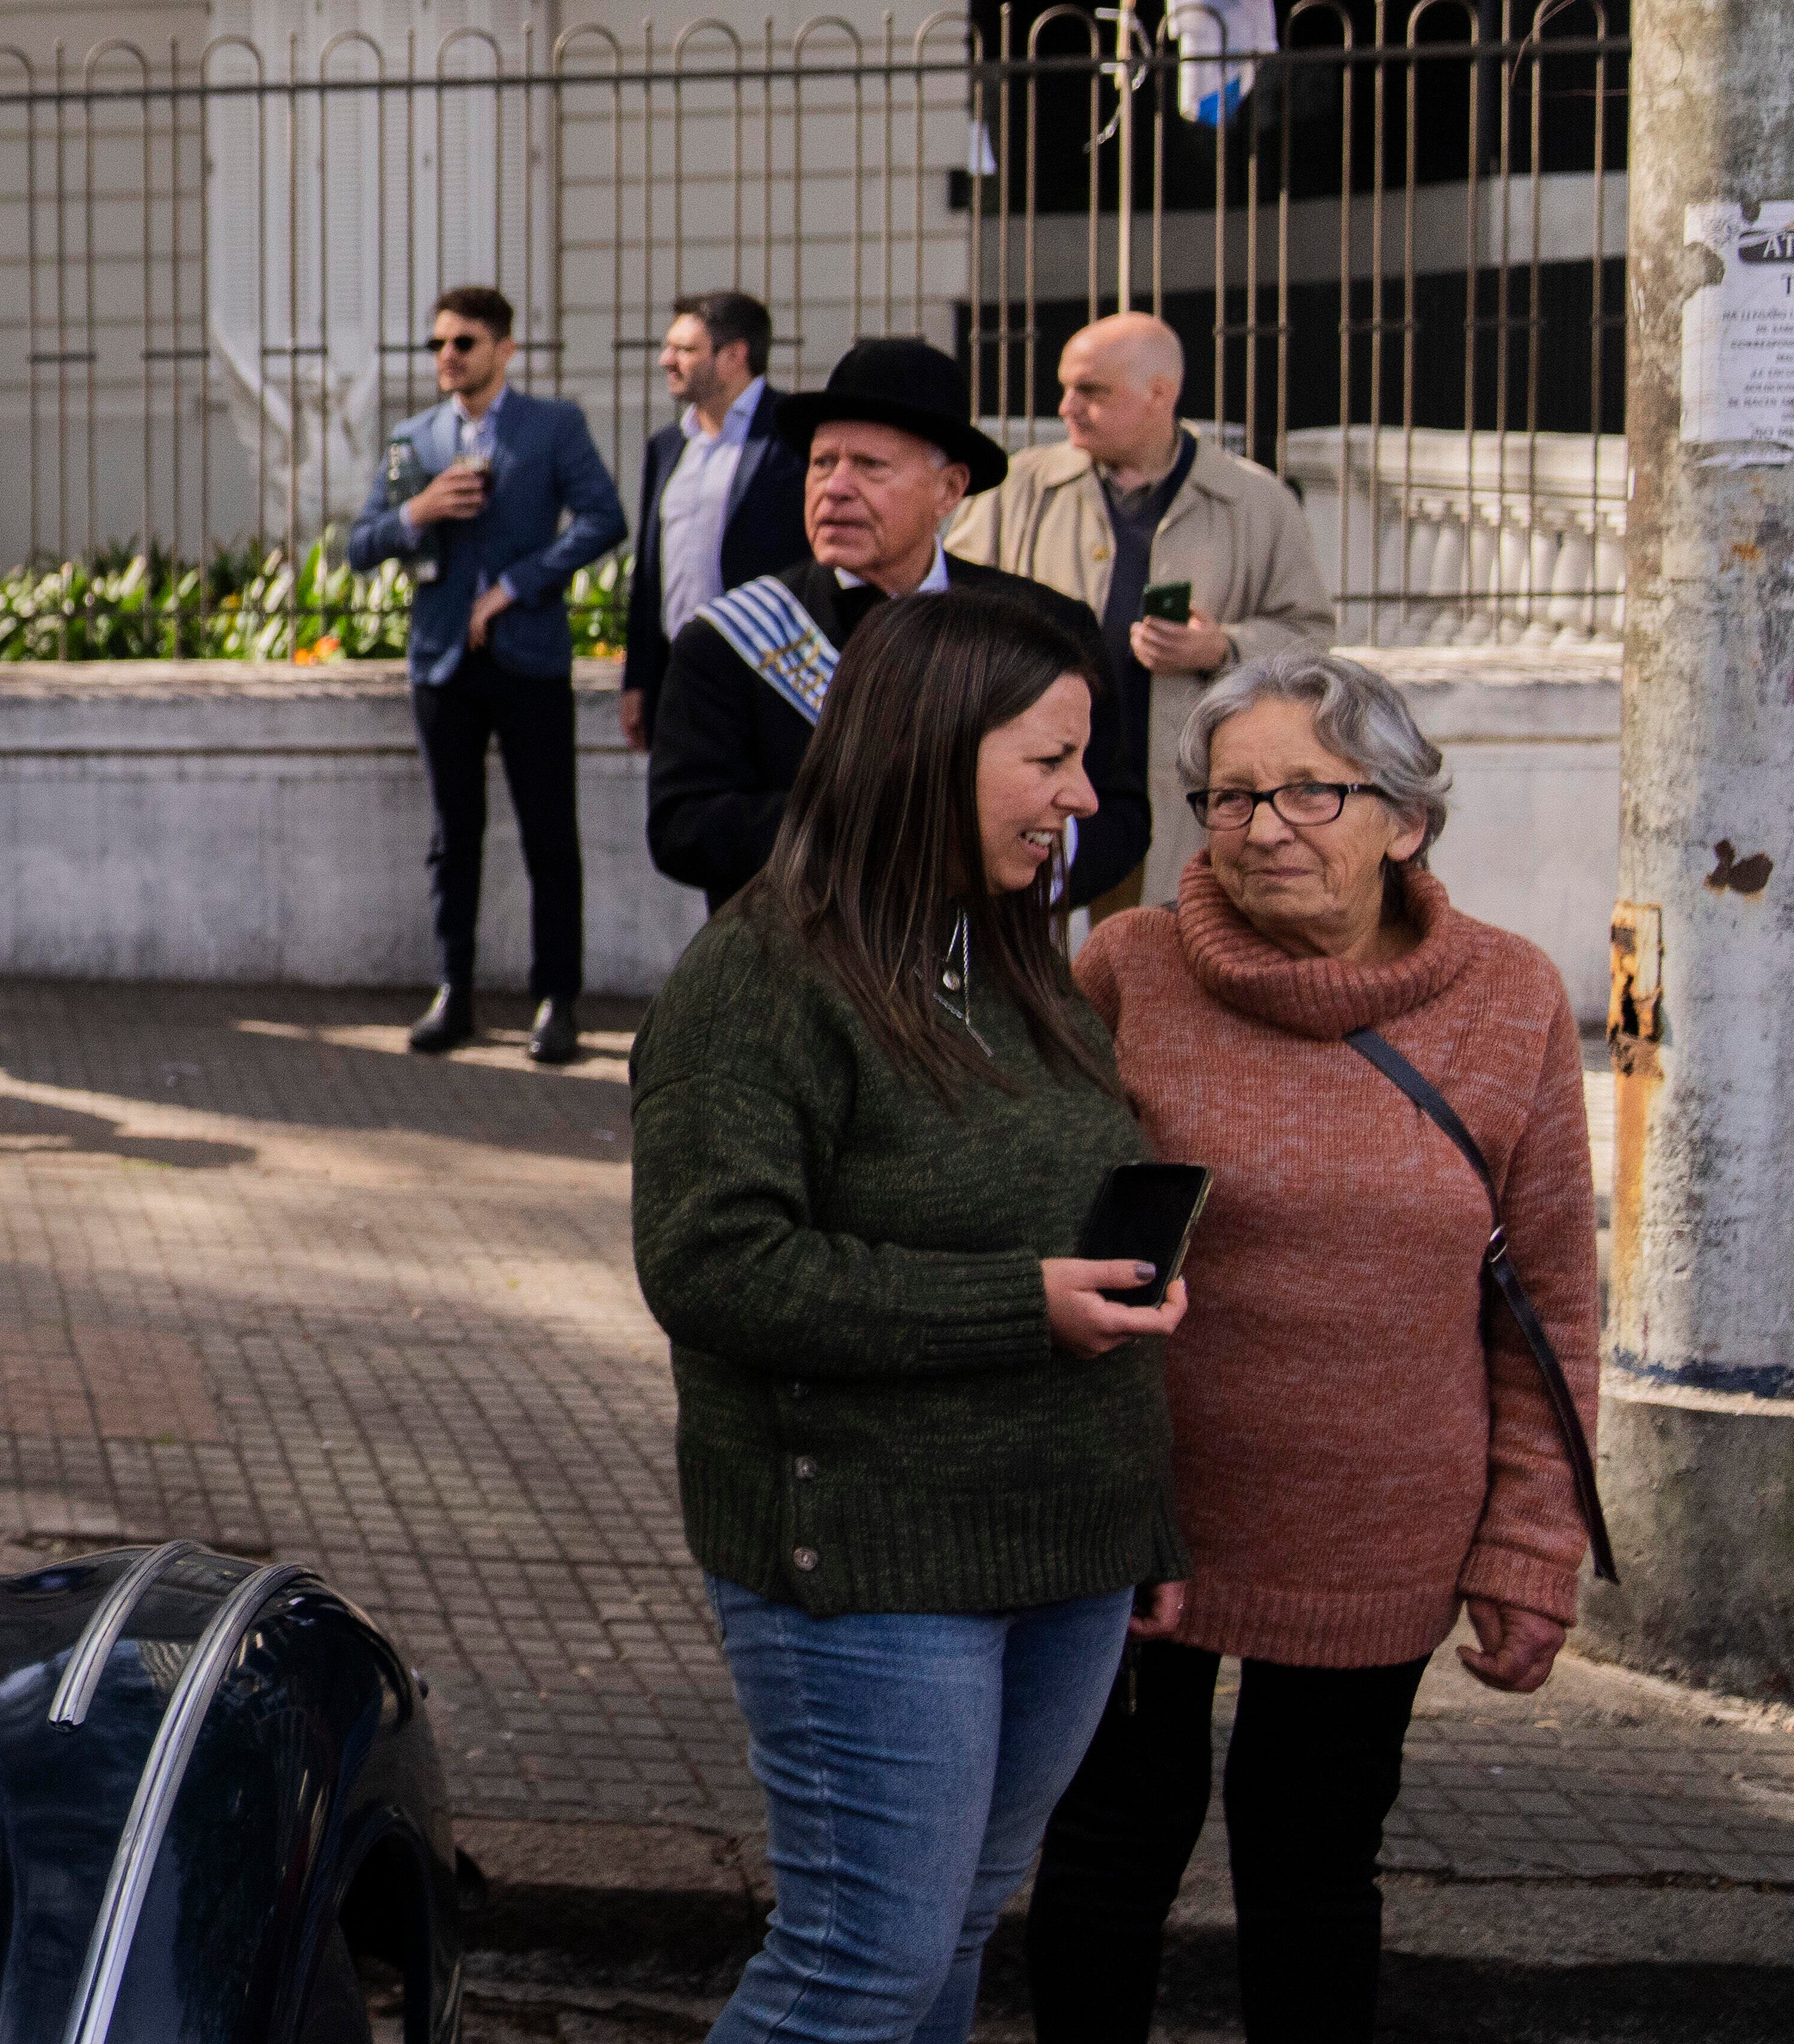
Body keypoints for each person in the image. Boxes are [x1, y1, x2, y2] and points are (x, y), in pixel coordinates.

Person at [632, 585, 1192, 2044]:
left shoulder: (1015, 955)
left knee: (947, 1930)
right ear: (931, 747)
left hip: (1062, 1547)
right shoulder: (757, 979)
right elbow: (715, 1264)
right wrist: (1020, 1306)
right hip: (872, 1560)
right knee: (858, 1965)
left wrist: (1144, 1525)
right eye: (1051, 758)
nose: (1081, 798)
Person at [1025, 652, 1596, 2044]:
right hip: (1143, 1515)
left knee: (1314, 1872)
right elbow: (1046, 1238)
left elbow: (1551, 1301)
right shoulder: (1127, 969)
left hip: (1378, 1533)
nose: (1262, 825)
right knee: (1103, 1854)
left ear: (1403, 816)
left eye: (1306, 791)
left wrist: (1531, 1546)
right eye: (1228, 797)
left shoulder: (1511, 997)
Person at [648, 337, 1148, 914]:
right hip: (803, 967)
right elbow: (684, 829)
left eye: (869, 466)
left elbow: (1116, 814)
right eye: (821, 463)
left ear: (949, 489)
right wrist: (896, 834)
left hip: (990, 960)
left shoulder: (1042, 626)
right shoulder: (727, 639)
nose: (835, 488)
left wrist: (1007, 867)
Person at [335, 284, 626, 1062]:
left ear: (503, 350)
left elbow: (605, 518)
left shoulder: (551, 426)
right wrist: (418, 512)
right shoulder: (413, 439)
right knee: (451, 835)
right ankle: (453, 992)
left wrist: (515, 585)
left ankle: (555, 1001)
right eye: (436, 344)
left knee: (547, 835)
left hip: (528, 657)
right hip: (439, 663)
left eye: (462, 342)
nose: (446, 357)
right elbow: (359, 546)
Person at [957, 312, 1335, 907]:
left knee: (1164, 953)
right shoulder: (1019, 488)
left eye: (1091, 391)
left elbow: (1309, 636)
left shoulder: (1257, 501)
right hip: (1041, 792)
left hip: (1180, 797)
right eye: (1065, 388)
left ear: (1160, 394)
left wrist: (1223, 648)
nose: (1066, 407)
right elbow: (951, 614)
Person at [621, 291, 809, 754]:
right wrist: (638, 680)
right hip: (677, 672)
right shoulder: (666, 445)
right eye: (669, 348)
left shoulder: (793, 433)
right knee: (678, 818)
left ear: (734, 355)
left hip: (765, 671)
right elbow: (649, 575)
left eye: (685, 349)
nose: (667, 360)